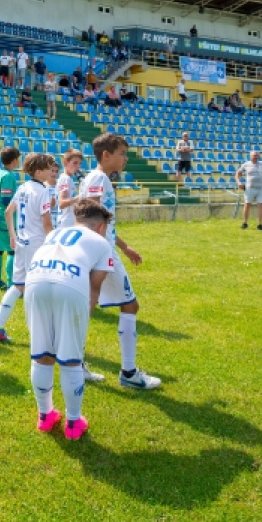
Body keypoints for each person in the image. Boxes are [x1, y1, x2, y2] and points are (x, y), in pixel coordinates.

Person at [25, 199, 114, 440]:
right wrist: (83, 319)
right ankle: (74, 423)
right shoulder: (101, 242)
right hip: (70, 284)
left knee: (42, 354)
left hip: (34, 282)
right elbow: (94, 287)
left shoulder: (55, 233)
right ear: (100, 227)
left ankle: (45, 416)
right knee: (71, 360)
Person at [79, 132, 161, 389]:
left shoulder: (99, 179)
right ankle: (128, 373)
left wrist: (124, 247)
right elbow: (89, 217)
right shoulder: (98, 179)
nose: (126, 159)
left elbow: (101, 221)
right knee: (129, 306)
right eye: (122, 154)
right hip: (101, 253)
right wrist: (101, 253)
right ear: (106, 155)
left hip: (102, 250)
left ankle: (76, 363)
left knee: (87, 307)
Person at [0, 153, 55, 343]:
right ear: (39, 172)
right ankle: (44, 336)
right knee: (41, 287)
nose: (52, 171)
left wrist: (13, 236)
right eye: (49, 168)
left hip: (22, 243)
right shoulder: (42, 192)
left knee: (19, 285)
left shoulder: (24, 187)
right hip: (36, 245)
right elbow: (47, 223)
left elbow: (9, 212)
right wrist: (55, 243)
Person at [0, 146, 20, 290]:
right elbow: (6, 198)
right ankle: (11, 283)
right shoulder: (8, 176)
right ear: (14, 161)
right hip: (6, 216)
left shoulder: (0, 173)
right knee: (12, 249)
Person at [236, 150, 262, 230]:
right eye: (254, 155)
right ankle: (245, 222)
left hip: (260, 188)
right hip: (249, 188)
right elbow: (238, 173)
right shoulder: (246, 164)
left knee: (261, 206)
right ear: (251, 156)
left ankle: (260, 224)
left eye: (256, 155)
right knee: (247, 205)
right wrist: (239, 182)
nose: (255, 157)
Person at [55, 149, 83, 231]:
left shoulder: (68, 179)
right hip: (67, 222)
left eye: (80, 163)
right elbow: (62, 203)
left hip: (69, 220)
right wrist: (79, 198)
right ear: (65, 163)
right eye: (75, 163)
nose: (78, 166)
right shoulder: (65, 179)